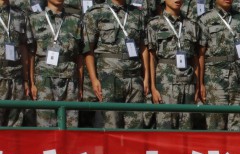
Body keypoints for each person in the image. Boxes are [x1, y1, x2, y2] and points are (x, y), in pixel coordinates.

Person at [82, 0, 149, 129]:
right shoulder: (96, 13)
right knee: (111, 125)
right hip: (108, 78)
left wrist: (145, 78)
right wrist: (94, 79)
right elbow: (88, 49)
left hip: (134, 78)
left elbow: (143, 47)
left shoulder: (137, 14)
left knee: (136, 127)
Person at [29, 0, 83, 128]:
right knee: (45, 126)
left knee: (70, 126)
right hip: (44, 79)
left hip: (70, 80)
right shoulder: (34, 19)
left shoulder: (75, 20)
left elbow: (80, 55)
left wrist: (80, 84)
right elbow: (31, 54)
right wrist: (31, 82)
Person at [147, 0, 200, 129]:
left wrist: (197, 85)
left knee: (186, 129)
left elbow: (195, 58)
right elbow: (152, 57)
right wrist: (153, 87)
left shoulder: (191, 25)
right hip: (165, 84)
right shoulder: (154, 24)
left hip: (188, 84)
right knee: (165, 128)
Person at [197, 0, 240, 131]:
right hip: (214, 82)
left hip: (238, 80)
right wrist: (200, 84)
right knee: (215, 126)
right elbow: (200, 54)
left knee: (237, 127)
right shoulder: (205, 19)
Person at [0, 0, 33, 127]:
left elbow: (24, 48)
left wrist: (25, 80)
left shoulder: (20, 14)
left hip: (16, 79)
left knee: (15, 123)